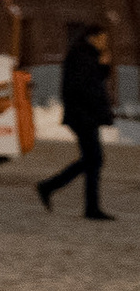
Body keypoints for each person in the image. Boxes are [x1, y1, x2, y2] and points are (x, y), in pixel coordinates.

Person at [38, 20, 118, 221]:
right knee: (94, 160)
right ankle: (52, 188)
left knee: (92, 160)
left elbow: (93, 81)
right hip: (83, 116)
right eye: (102, 39)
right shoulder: (82, 55)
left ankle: (57, 190)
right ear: (93, 38)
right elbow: (85, 87)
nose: (104, 43)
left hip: (84, 115)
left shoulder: (86, 55)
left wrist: (104, 66)